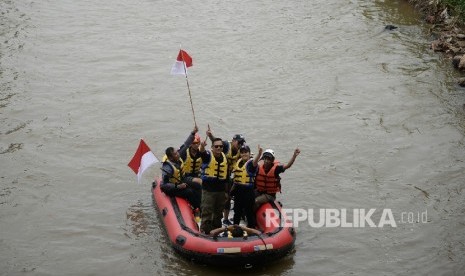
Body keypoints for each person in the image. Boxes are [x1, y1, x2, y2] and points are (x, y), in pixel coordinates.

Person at [206, 124, 246, 225]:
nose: (240, 145)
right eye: (239, 143)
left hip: (227, 177)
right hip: (215, 176)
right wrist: (210, 136)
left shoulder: (241, 152)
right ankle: (211, 217)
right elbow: (215, 141)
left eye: (242, 143)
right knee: (216, 197)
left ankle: (225, 218)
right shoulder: (225, 145)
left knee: (227, 197)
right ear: (233, 141)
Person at [160, 126, 202, 213]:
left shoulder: (178, 156)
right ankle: (196, 209)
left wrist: (193, 133)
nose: (178, 155)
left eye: (177, 152)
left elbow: (186, 144)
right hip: (172, 188)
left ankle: (200, 205)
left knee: (197, 186)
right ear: (170, 157)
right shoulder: (167, 168)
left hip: (181, 179)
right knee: (189, 192)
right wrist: (178, 186)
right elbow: (164, 185)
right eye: (175, 154)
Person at [250, 145, 301, 210]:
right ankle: (245, 213)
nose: (266, 161)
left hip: (270, 195)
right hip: (259, 191)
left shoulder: (276, 169)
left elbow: (288, 165)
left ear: (272, 160)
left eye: (268, 159)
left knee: (255, 201)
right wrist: (259, 153)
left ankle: (252, 217)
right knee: (248, 197)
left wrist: (294, 156)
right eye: (265, 158)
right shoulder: (258, 167)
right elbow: (254, 164)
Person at [198, 137, 229, 234]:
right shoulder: (208, 156)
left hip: (220, 191)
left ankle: (216, 230)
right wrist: (202, 146)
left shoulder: (224, 158)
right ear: (212, 147)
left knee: (218, 213)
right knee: (207, 212)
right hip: (209, 191)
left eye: (220, 146)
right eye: (216, 146)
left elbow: (227, 177)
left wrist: (227, 192)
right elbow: (202, 152)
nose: (219, 148)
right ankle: (205, 231)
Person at [230, 145, 256, 228]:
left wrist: (259, 153)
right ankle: (235, 228)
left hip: (248, 191)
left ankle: (251, 228)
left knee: (249, 212)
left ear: (249, 153)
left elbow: (255, 163)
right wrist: (231, 191)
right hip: (238, 190)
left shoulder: (252, 163)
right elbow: (235, 180)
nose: (244, 154)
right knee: (237, 211)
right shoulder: (238, 162)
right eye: (242, 152)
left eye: (246, 152)